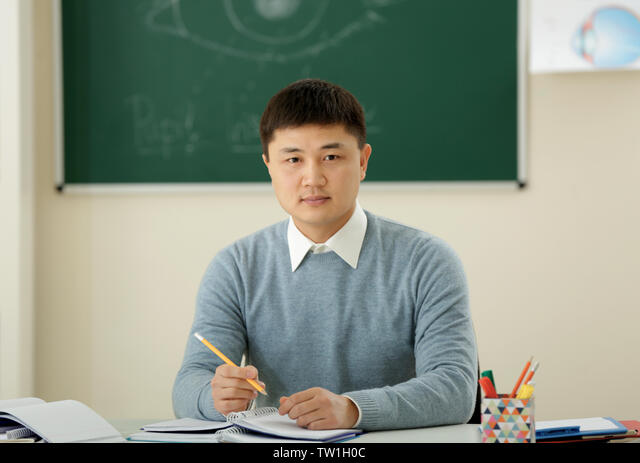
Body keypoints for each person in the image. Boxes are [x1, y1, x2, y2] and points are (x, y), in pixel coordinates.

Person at [172, 78, 478, 431]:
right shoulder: (236, 266)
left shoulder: (427, 261)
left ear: (363, 161)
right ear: (268, 165)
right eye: (293, 159)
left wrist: (353, 409)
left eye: (331, 157)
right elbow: (187, 383)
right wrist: (213, 396)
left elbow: (455, 388)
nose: (312, 178)